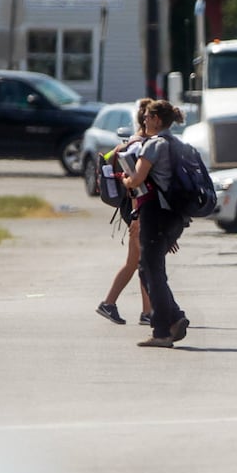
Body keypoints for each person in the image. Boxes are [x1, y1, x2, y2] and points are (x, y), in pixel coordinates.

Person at [122, 99, 190, 348]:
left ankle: (162, 331)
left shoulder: (153, 145)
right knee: (148, 269)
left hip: (156, 213)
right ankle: (174, 317)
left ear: (157, 120)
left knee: (151, 270)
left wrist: (125, 181)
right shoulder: (179, 144)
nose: (144, 121)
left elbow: (137, 177)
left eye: (148, 117)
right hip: (176, 216)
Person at [97, 99, 154, 327]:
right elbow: (134, 186)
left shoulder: (132, 144)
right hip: (136, 212)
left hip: (134, 212)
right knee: (140, 262)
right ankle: (111, 303)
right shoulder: (138, 146)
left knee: (139, 262)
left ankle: (146, 310)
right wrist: (136, 216)